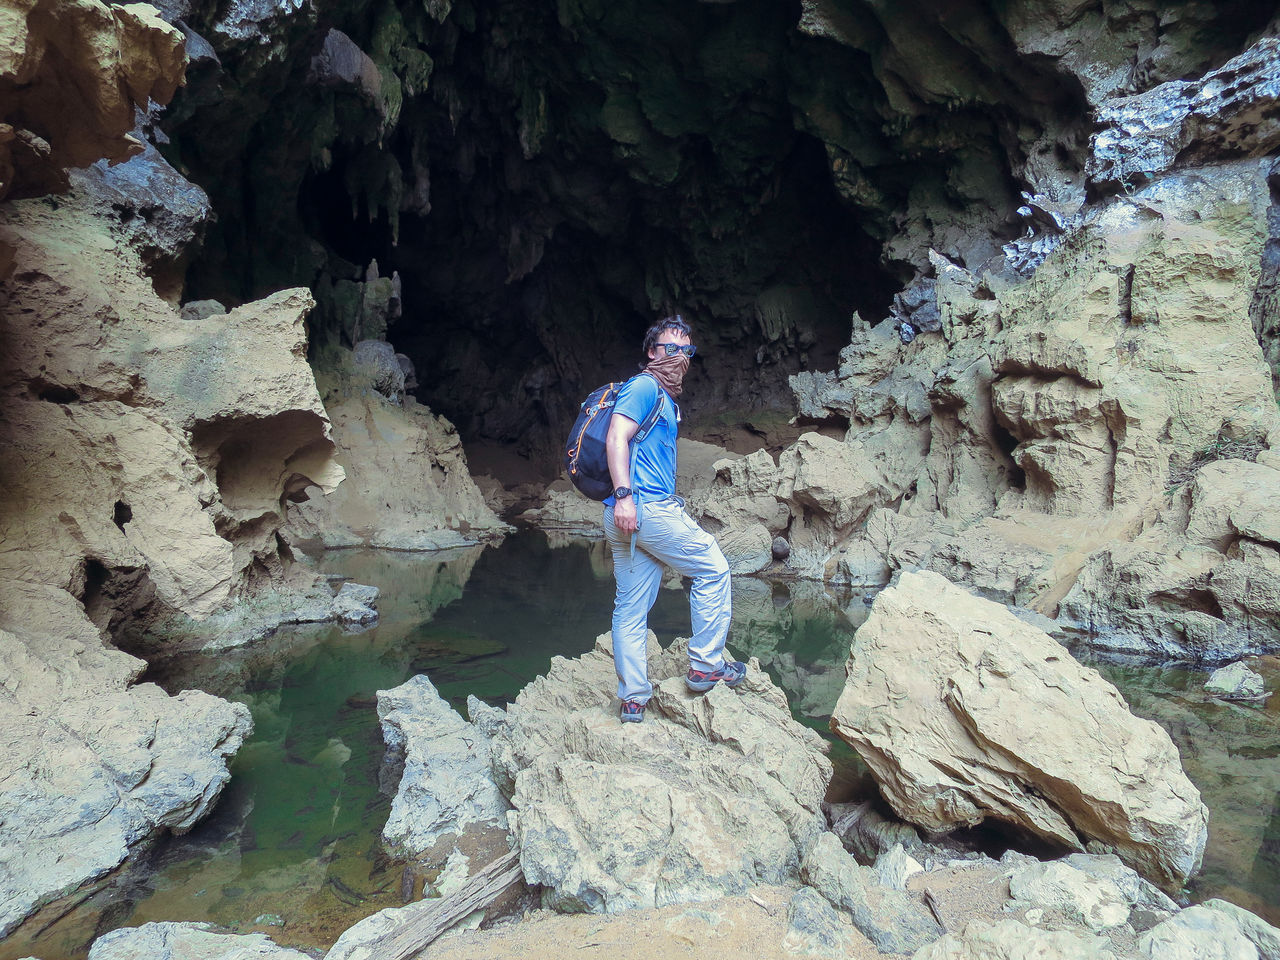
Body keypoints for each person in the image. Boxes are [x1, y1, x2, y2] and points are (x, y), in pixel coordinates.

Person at [603, 314, 746, 723]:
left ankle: (633, 698)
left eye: (686, 350)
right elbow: (616, 437)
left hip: (630, 515)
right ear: (652, 352)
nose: (679, 356)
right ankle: (706, 665)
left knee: (630, 607)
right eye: (670, 348)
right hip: (642, 508)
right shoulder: (645, 386)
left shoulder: (666, 399)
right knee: (713, 569)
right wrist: (625, 496)